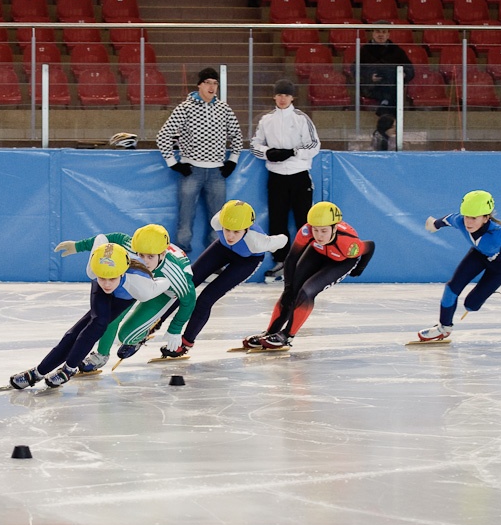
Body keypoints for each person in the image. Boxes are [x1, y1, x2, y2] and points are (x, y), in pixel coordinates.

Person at [7, 239, 170, 390]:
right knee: (86, 327)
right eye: (102, 278)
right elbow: (101, 239)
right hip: (105, 290)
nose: (106, 284)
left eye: (112, 279)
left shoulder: (141, 286)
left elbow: (166, 282)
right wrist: (78, 246)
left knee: (99, 324)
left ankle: (68, 369)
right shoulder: (94, 269)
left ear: (122, 272)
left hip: (125, 295)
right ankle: (38, 373)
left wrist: (171, 280)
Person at [157, 200, 290, 358]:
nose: (230, 236)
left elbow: (283, 239)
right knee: (185, 284)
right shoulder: (217, 221)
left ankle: (185, 343)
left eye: (236, 232)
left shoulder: (257, 241)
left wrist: (272, 245)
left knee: (206, 299)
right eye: (227, 230)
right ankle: (155, 322)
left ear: (247, 229)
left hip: (247, 261)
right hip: (222, 249)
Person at [53, 224, 196, 370]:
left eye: (150, 256)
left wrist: (175, 329)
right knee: (111, 317)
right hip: (138, 279)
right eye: (140, 255)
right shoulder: (131, 246)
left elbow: (189, 300)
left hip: (163, 292)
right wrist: (78, 246)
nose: (144, 261)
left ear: (163, 254)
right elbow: (109, 241)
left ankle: (139, 337)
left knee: (126, 336)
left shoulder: (175, 274)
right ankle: (101, 355)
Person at [242, 201, 375, 350]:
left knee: (306, 292)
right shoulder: (306, 231)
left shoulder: (349, 244)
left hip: (341, 261)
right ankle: (270, 333)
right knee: (290, 293)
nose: (318, 235)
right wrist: (288, 288)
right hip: (317, 253)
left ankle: (287, 335)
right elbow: (291, 259)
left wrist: (359, 269)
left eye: (324, 231)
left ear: (335, 228)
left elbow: (370, 246)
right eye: (316, 230)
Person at [417, 190, 501, 343]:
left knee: (471, 305)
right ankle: (443, 328)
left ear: (486, 218)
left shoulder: (499, 235)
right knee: (451, 288)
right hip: (479, 254)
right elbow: (446, 220)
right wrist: (435, 225)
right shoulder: (460, 221)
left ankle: (485, 292)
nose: (468, 222)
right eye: (466, 216)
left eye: (473, 218)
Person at [156, 67, 243, 254]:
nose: (212, 87)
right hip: (192, 171)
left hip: (217, 173)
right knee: (185, 217)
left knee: (219, 219)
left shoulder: (223, 109)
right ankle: (181, 257)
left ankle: (214, 257)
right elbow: (163, 135)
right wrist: (175, 164)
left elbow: (237, 135)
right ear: (199, 85)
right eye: (208, 83)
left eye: (215, 83)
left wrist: (232, 160)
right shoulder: (185, 108)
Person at [250, 78, 321, 283]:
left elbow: (314, 145)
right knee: (277, 221)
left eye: (286, 95)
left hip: (299, 176)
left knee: (303, 220)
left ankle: (305, 262)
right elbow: (255, 145)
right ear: (274, 96)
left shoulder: (301, 118)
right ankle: (280, 261)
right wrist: (269, 153)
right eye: (279, 94)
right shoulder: (266, 120)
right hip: (277, 177)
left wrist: (292, 152)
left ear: (292, 97)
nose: (282, 98)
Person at [357, 21, 415, 116]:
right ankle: (389, 115)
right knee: (393, 92)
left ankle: (385, 106)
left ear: (388, 34)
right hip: (373, 86)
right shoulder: (364, 51)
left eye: (383, 32)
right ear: (373, 33)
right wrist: (370, 77)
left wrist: (404, 74)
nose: (380, 34)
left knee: (391, 76)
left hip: (392, 84)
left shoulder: (397, 51)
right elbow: (355, 69)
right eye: (378, 31)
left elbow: (410, 69)